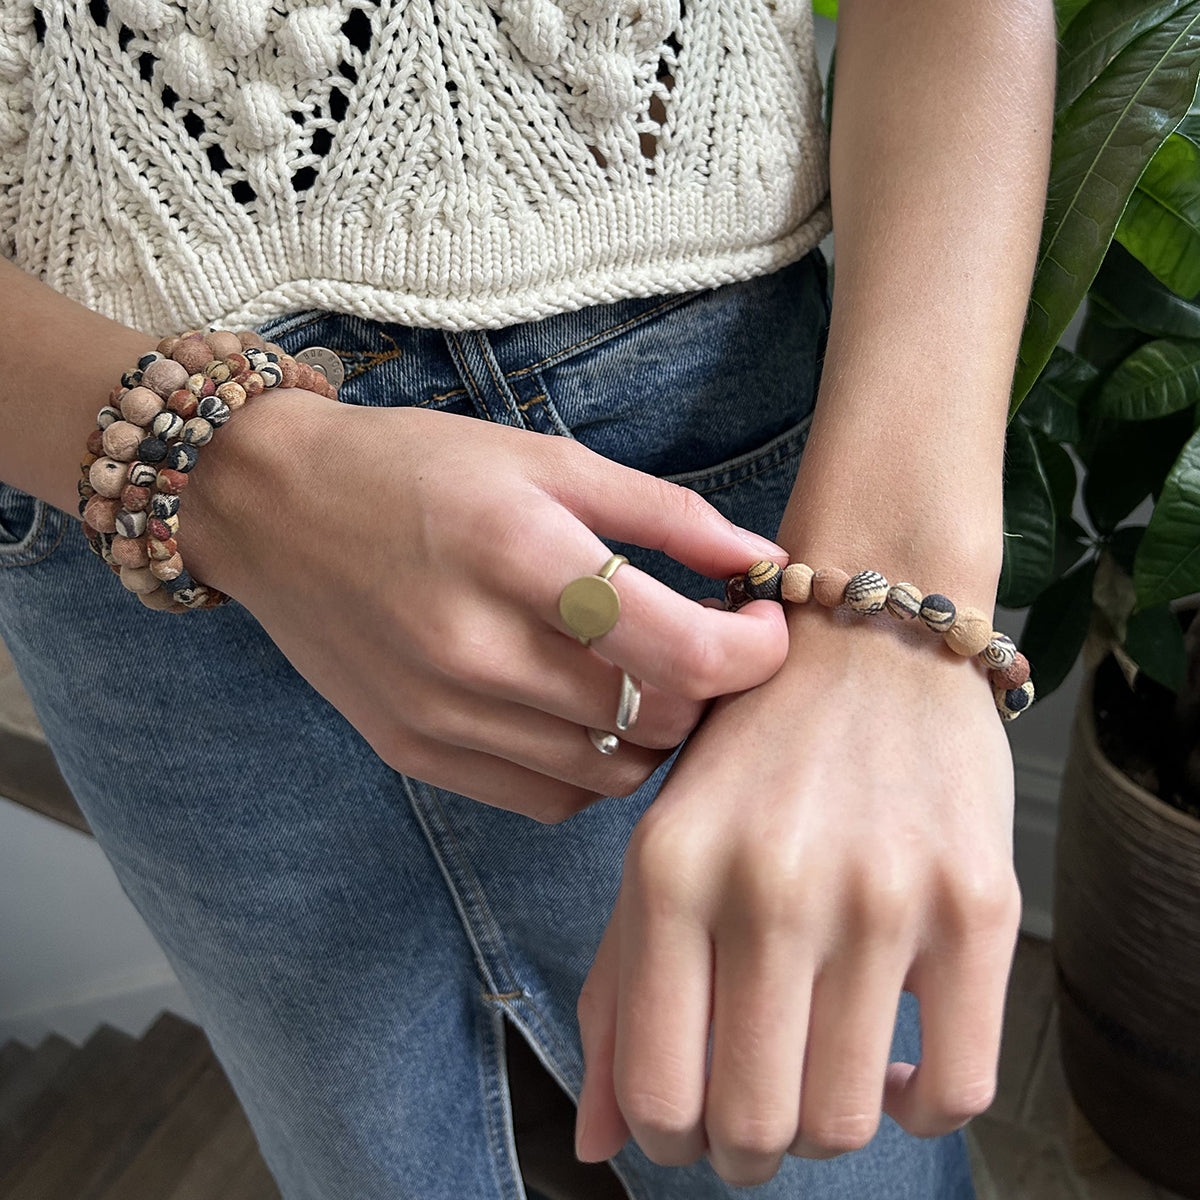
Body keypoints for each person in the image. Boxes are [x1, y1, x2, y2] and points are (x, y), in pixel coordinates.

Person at [0, 0, 1055, 1195]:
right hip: (124, 509)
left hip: (703, 451)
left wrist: (891, 611)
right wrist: (224, 482)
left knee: (820, 1154)